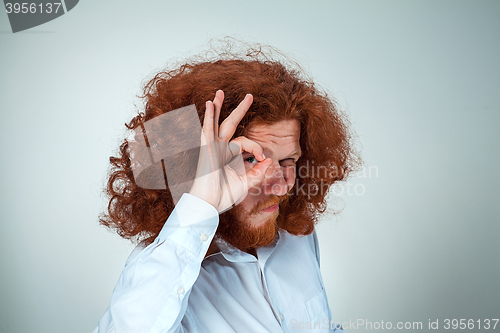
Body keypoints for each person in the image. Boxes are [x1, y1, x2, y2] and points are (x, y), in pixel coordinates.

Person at [93, 43, 358, 333]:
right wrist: (201, 200)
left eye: (288, 160)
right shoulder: (164, 272)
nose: (280, 186)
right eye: (251, 159)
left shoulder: (296, 238)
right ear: (194, 163)